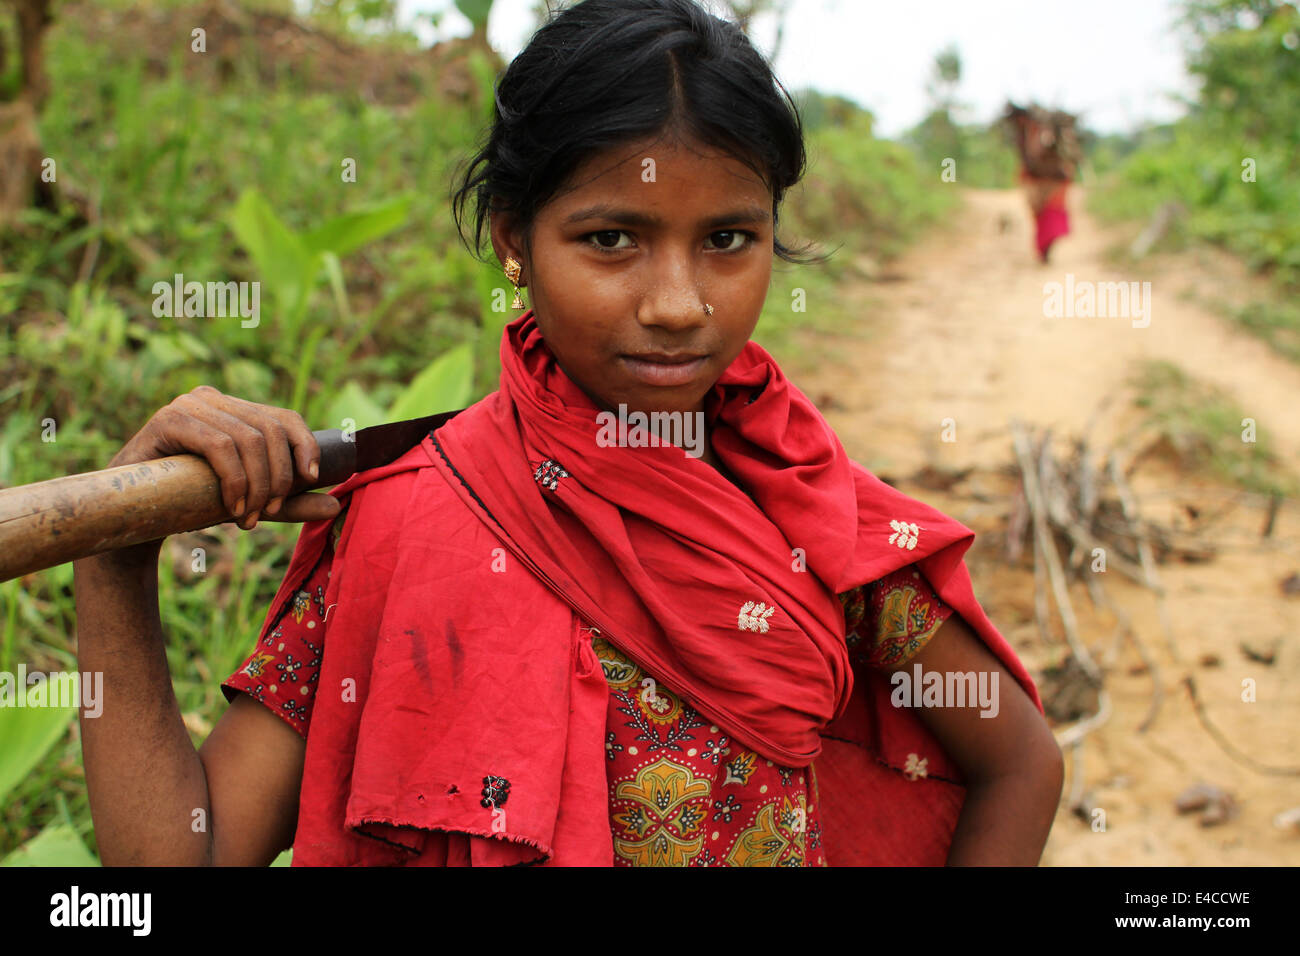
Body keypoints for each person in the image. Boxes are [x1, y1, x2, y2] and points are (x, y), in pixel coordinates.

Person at [73, 0, 1063, 867]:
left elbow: (1016, 760)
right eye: (611, 239)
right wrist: (115, 554)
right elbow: (183, 857)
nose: (676, 304)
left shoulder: (807, 508)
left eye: (726, 239)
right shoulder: (412, 516)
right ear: (514, 239)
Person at [1004, 102, 1079, 263]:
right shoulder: (1027, 137)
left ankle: (1046, 249)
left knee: (1050, 217)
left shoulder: (1053, 137)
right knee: (1040, 218)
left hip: (1053, 184)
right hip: (1036, 182)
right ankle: (1043, 250)